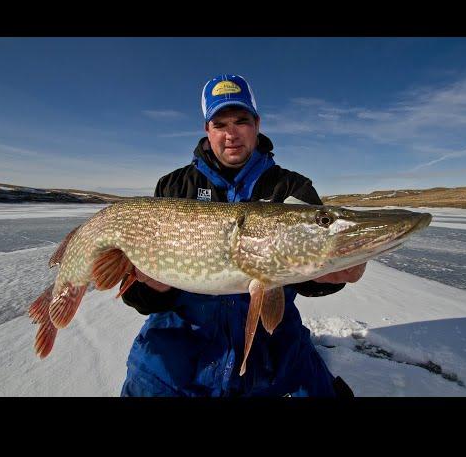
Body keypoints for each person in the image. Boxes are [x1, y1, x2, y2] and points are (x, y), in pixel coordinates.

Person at [120, 74, 366, 397]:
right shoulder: (174, 189)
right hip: (181, 344)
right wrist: (152, 288)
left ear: (257, 124)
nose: (231, 133)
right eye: (220, 124)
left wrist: (328, 276)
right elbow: (138, 294)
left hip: (273, 345)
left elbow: (305, 277)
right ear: (207, 130)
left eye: (241, 120)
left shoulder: (291, 188)